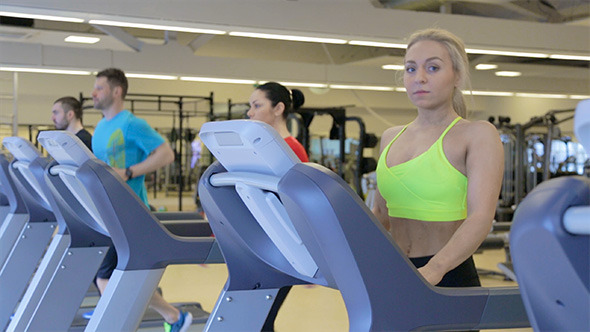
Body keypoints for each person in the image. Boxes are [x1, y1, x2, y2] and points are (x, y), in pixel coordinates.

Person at [372, 28, 504, 288]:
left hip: (446, 276)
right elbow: (381, 213)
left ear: (457, 75)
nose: (419, 78)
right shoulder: (390, 137)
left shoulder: (477, 134)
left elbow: (481, 217)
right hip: (394, 271)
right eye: (411, 69)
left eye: (432, 68)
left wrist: (434, 270)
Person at [90, 68, 191, 332]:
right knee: (110, 277)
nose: (94, 93)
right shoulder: (100, 127)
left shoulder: (131, 124)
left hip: (131, 209)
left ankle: (126, 323)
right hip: (107, 208)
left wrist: (131, 172)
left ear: (116, 91)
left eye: (99, 87)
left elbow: (166, 154)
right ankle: (172, 315)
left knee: (105, 277)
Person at [246, 81, 309, 331]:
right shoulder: (262, 147)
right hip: (260, 244)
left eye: (257, 105)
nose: (250, 112)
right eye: (250, 106)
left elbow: (296, 204)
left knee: (262, 319)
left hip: (281, 248)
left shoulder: (292, 149)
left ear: (278, 108)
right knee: (256, 318)